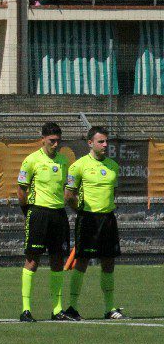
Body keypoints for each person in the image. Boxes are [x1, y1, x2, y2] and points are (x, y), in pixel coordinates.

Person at [64, 126, 126, 320]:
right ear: (90, 143)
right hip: (88, 219)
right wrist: (80, 212)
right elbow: (69, 195)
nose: (105, 145)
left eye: (106, 141)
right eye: (101, 141)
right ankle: (72, 307)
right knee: (81, 261)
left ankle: (110, 308)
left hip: (108, 219)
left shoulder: (113, 166)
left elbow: (113, 193)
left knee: (109, 262)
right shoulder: (78, 166)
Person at [17, 122, 71, 322]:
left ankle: (57, 310)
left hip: (58, 214)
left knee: (58, 260)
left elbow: (66, 188)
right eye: (52, 141)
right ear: (43, 139)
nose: (56, 144)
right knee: (33, 260)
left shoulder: (64, 161)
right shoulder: (31, 160)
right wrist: (28, 212)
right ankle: (25, 309)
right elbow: (21, 190)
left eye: (58, 141)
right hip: (38, 213)